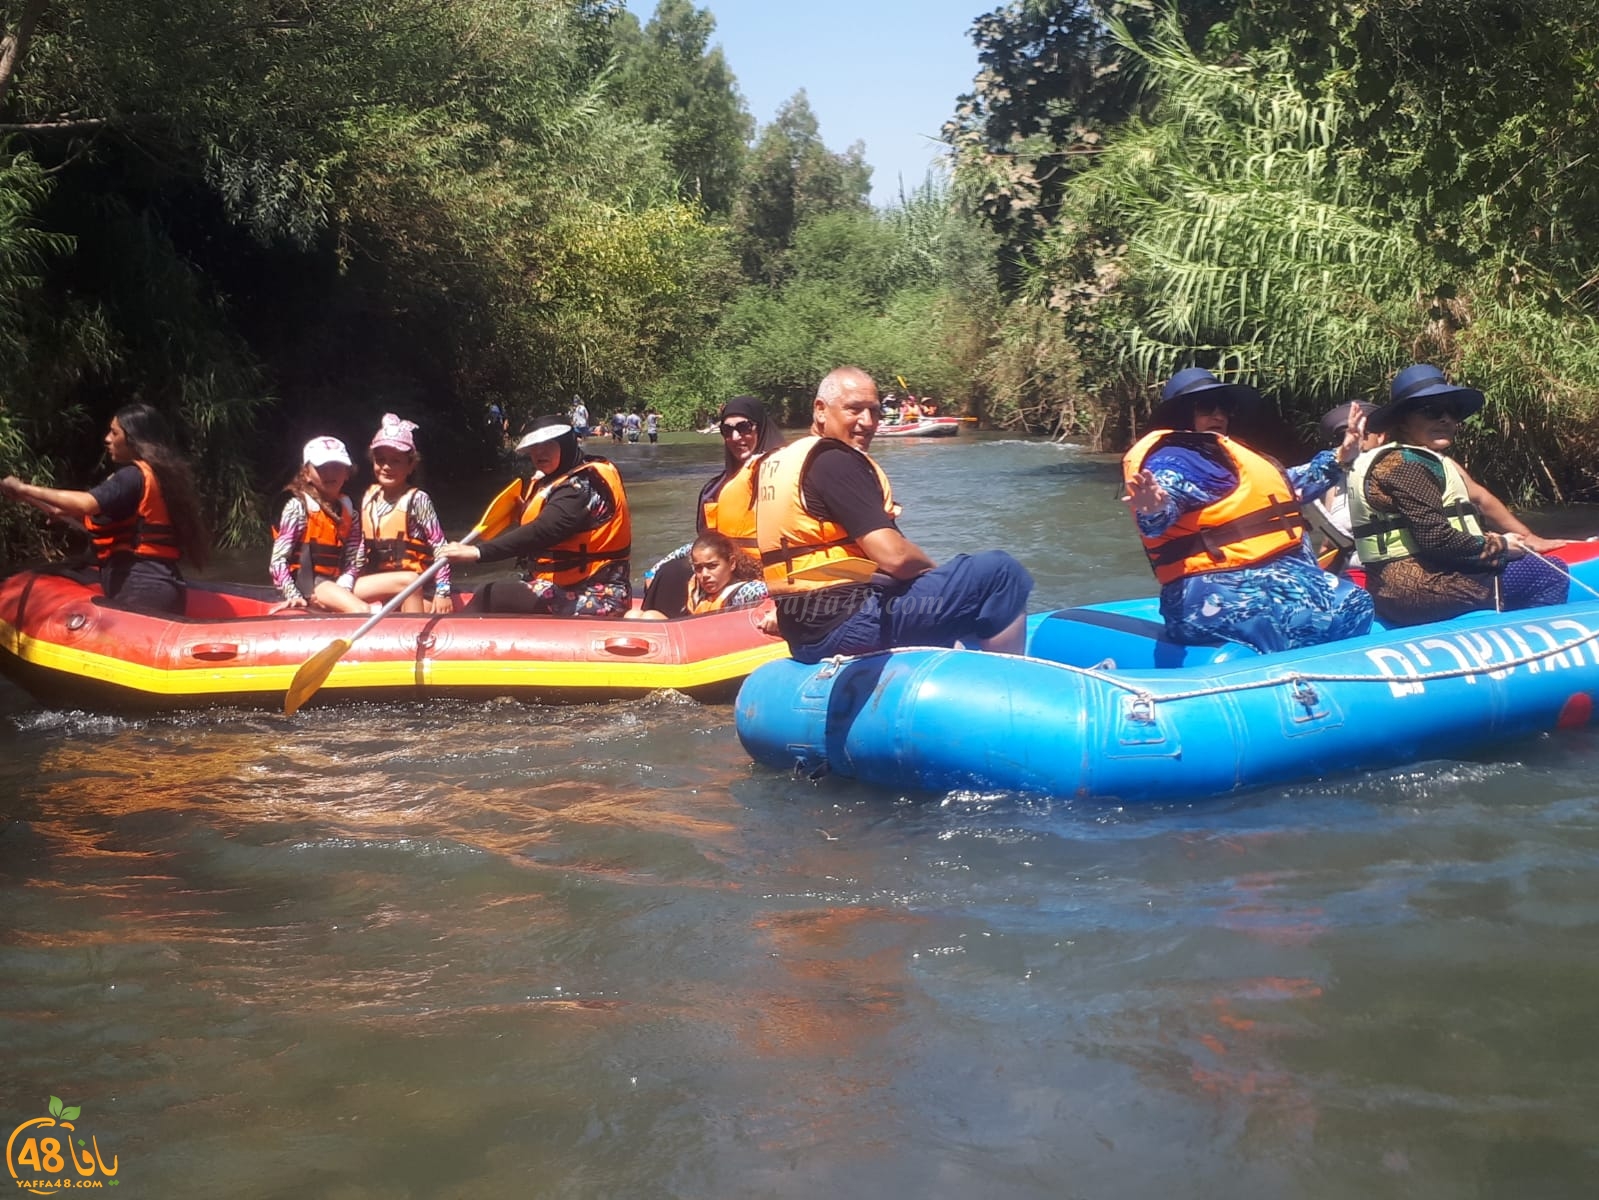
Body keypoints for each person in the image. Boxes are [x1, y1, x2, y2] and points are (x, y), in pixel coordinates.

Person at [757, 366, 1033, 664]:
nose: (868, 422)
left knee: (944, 590)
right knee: (1000, 572)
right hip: (852, 625)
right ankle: (1007, 685)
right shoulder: (835, 460)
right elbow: (895, 558)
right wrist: (934, 572)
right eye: (854, 410)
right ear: (821, 410)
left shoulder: (778, 463)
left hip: (803, 635)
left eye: (874, 411)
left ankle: (957, 655)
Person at [1121, 367, 1373, 653]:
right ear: (1180, 414)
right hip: (1209, 593)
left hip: (1253, 578)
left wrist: (1342, 455)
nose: (1218, 416)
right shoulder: (1174, 458)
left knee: (1349, 600)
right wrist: (1155, 508)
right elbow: (1166, 498)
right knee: (1348, 605)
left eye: (1224, 408)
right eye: (1206, 408)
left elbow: (1288, 486)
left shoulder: (1219, 457)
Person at [1347, 363, 1569, 626]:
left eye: (1451, 412)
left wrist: (1515, 538)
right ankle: (1530, 651)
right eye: (1431, 411)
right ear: (1403, 422)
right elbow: (1436, 538)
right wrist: (1499, 547)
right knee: (1549, 573)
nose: (1446, 419)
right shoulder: (1406, 466)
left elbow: (1470, 508)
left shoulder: (1409, 459)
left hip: (1396, 587)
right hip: (1420, 589)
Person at [0, 402, 210, 614]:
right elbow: (132, 522)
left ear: (134, 438)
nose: (107, 439)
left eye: (114, 432)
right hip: (163, 584)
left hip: (142, 590)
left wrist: (24, 488)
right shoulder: (162, 476)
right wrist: (66, 511)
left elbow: (87, 503)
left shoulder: (131, 476)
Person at [436, 417, 632, 616]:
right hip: (562, 585)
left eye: (548, 444)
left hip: (596, 594)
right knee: (503, 593)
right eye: (534, 447)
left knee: (489, 594)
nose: (539, 452)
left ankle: (446, 642)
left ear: (566, 444)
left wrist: (477, 552)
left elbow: (544, 530)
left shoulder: (582, 486)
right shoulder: (558, 478)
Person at [639, 395, 786, 618]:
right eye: (727, 431)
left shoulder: (784, 477)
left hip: (765, 574)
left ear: (760, 427)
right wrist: (658, 566)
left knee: (677, 573)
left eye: (744, 427)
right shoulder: (715, 488)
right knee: (669, 572)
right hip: (722, 565)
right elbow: (706, 544)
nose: (736, 437)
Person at [352, 414, 453, 614]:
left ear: (410, 466)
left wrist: (443, 591)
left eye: (395, 461)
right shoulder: (369, 498)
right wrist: (348, 578)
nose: (387, 467)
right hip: (382, 585)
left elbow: (440, 546)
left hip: (418, 587)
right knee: (340, 592)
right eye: (380, 460)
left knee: (410, 582)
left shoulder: (418, 499)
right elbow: (360, 549)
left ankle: (410, 639)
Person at [270, 436, 370, 613]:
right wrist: (293, 595)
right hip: (309, 587)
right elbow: (278, 560)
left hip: (337, 584)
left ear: (347, 472)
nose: (330, 473)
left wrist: (344, 585)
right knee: (361, 609)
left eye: (336, 467)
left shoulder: (349, 511)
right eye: (322, 468)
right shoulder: (297, 507)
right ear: (307, 474)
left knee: (406, 580)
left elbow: (354, 559)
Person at [1302, 400, 1383, 571]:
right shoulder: (1336, 482)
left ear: (1381, 436)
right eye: (1344, 437)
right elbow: (1329, 543)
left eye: (1364, 433)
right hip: (1350, 571)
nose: (1356, 441)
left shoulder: (1398, 469)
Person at [630, 531, 769, 620]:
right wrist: (652, 572)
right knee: (632, 615)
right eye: (698, 568)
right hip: (688, 638)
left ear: (732, 563)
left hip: (711, 646)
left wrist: (774, 611)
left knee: (649, 617)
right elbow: (686, 550)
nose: (705, 575)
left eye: (712, 566)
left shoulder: (744, 592)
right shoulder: (699, 578)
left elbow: (777, 594)